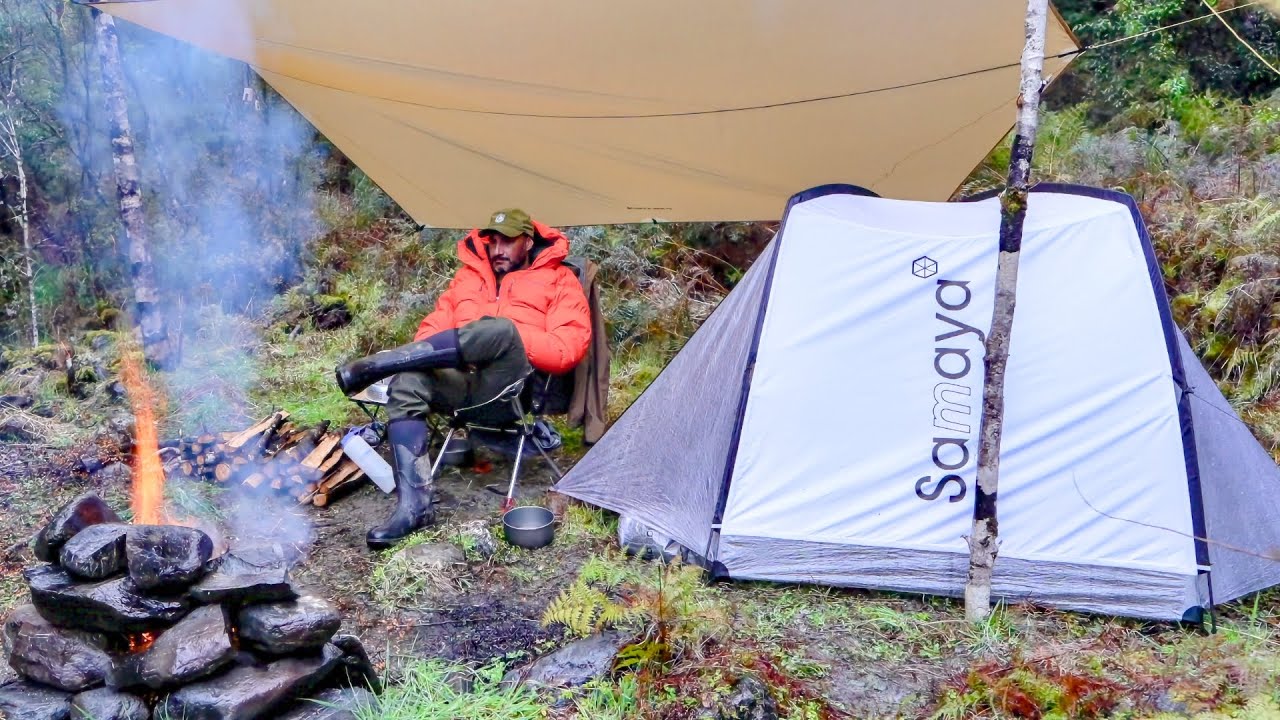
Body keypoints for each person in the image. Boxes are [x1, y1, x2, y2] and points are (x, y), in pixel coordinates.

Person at [334, 208, 591, 548]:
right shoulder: (469, 278)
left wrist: (502, 337)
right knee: (409, 380)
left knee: (499, 329)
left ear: (527, 243)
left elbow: (565, 349)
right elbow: (430, 331)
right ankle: (414, 509)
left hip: (512, 389)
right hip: (463, 386)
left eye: (508, 241)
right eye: (493, 240)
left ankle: (379, 365)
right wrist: (463, 350)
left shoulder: (559, 280)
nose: (497, 249)